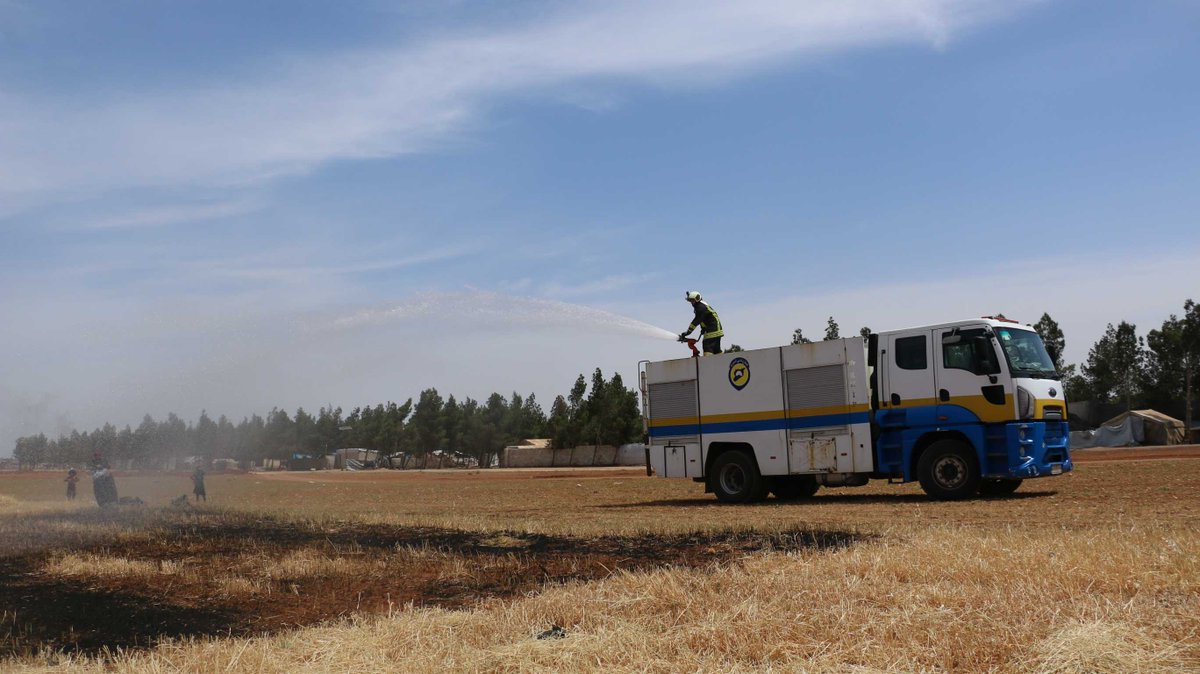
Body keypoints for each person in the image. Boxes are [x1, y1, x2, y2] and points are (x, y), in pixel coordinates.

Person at [680, 290, 724, 355]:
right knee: (716, 349)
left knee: (707, 347)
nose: (692, 303)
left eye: (693, 300)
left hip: (712, 332)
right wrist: (703, 328)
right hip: (717, 331)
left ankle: (708, 360)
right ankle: (722, 360)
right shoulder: (703, 305)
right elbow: (705, 318)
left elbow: (696, 321)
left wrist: (688, 332)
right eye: (690, 301)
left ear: (697, 299)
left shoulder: (700, 307)